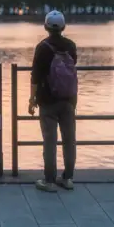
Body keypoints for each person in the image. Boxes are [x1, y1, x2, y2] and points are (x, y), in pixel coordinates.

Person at [28, 10, 78, 192]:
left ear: (46, 26)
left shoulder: (43, 47)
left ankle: (49, 181)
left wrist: (32, 99)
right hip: (69, 99)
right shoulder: (71, 46)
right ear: (64, 27)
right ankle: (68, 178)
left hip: (48, 100)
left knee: (50, 140)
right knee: (69, 139)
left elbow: (35, 76)